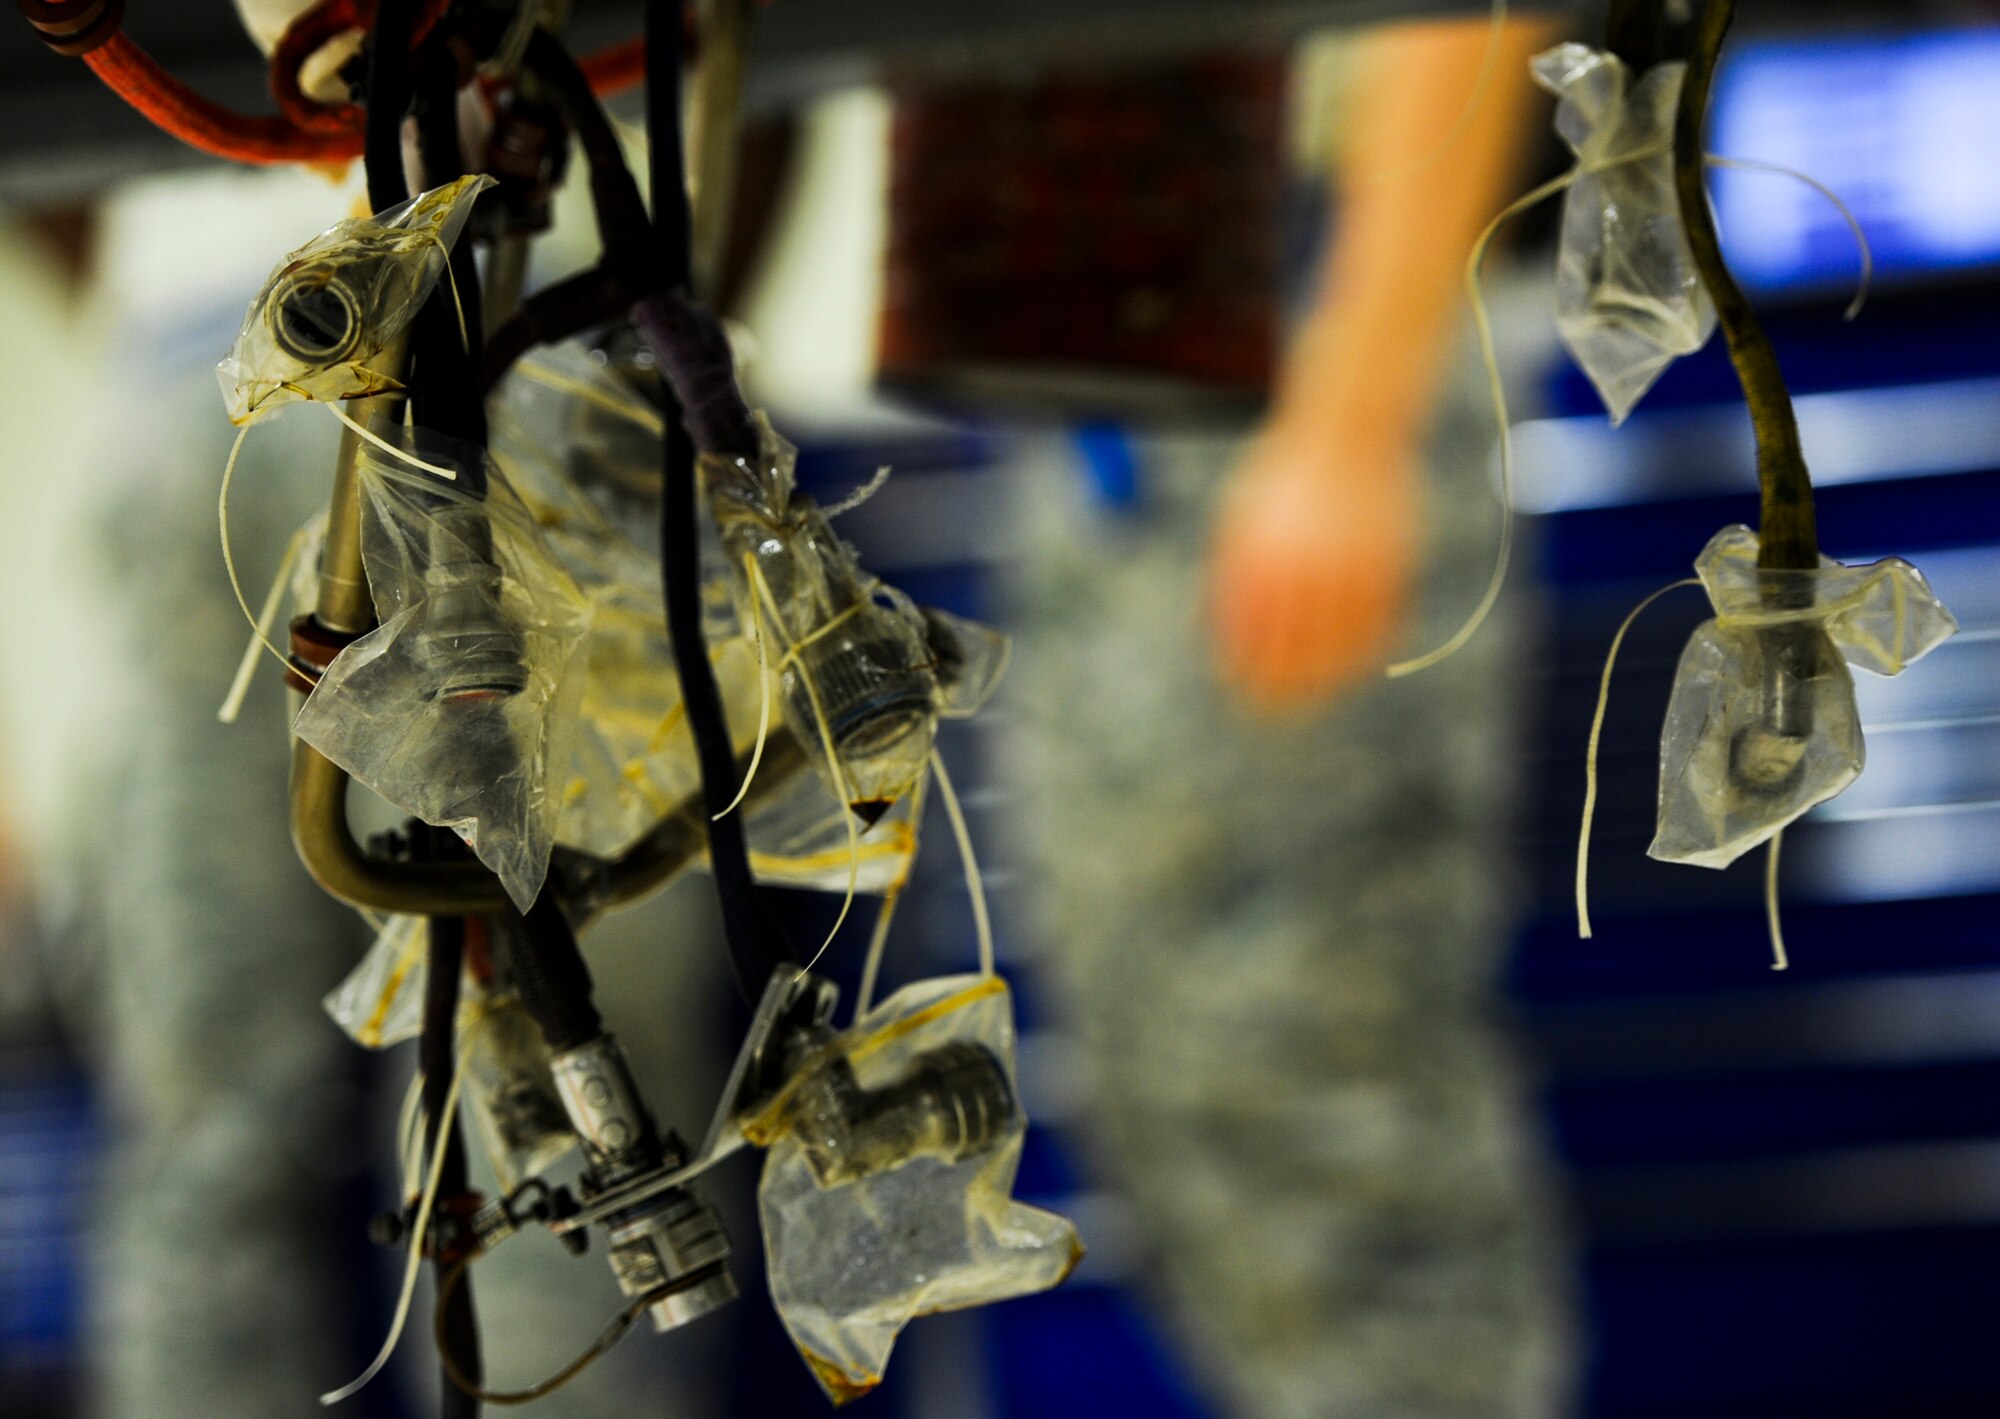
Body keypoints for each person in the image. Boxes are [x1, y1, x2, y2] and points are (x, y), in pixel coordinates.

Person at [1003, 15, 1580, 1416]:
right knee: (1185, 1090)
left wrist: (1351, 414)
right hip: (1153, 364)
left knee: (1317, 1099)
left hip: (1308, 330)